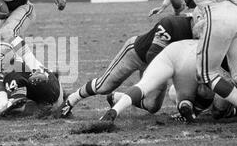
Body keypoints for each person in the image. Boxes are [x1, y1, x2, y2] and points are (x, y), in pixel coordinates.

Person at [55, 13, 197, 118]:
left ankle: (117, 98)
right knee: (103, 86)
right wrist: (168, 75)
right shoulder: (171, 23)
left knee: (152, 106)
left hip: (161, 64)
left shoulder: (205, 34)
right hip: (136, 53)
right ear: (196, 16)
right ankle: (71, 99)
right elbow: (152, 54)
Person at [95, 39, 215, 128]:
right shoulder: (216, 23)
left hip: (170, 54)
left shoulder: (180, 21)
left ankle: (113, 111)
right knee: (216, 98)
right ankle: (191, 108)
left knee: (147, 92)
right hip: (194, 57)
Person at [0, 68, 64, 117]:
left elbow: (18, 103)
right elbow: (55, 75)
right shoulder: (27, 64)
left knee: (0, 81)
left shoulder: (11, 75)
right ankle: (52, 106)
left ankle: (3, 105)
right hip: (54, 84)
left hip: (41, 87)